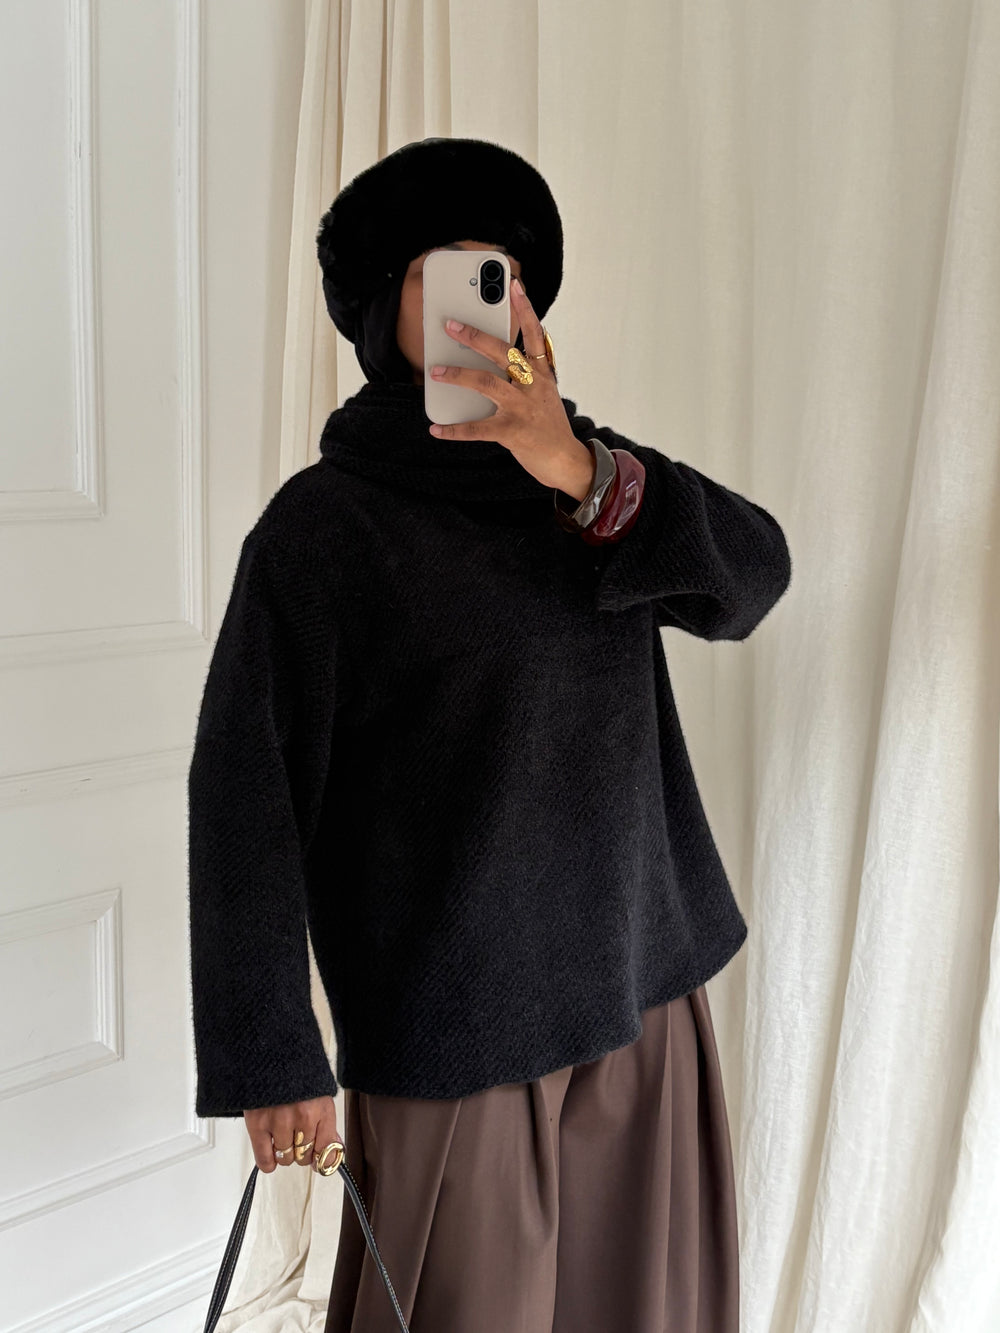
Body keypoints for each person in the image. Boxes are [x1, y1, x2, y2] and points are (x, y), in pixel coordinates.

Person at [187, 136, 793, 1332]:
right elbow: (246, 798)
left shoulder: (588, 486)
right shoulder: (323, 530)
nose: (486, 301)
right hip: (455, 1027)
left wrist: (576, 466)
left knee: (648, 1308)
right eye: (447, 274)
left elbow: (751, 581)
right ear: (382, 310)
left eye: (502, 273)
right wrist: (272, 1055)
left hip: (640, 984)